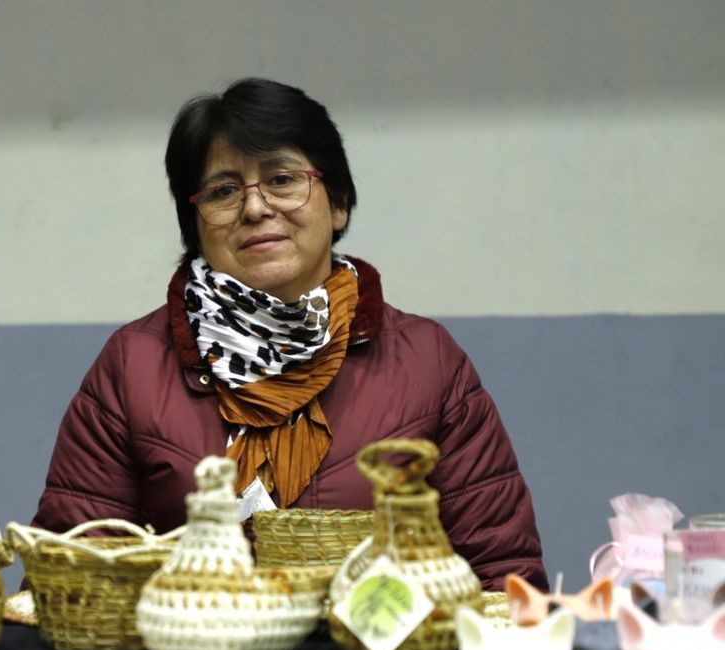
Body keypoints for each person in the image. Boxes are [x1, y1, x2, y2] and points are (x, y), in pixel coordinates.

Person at [29, 78, 545, 590]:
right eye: (224, 191)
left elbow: (501, 577)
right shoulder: (133, 364)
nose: (254, 208)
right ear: (196, 223)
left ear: (338, 202)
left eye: (282, 179)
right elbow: (69, 580)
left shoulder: (427, 362)